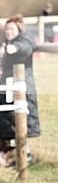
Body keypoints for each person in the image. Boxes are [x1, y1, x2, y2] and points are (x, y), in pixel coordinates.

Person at [0, 17, 40, 167]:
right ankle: (18, 154)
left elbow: (27, 46)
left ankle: (25, 156)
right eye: (7, 29)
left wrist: (15, 48)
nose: (8, 32)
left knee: (20, 121)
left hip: (22, 88)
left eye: (12, 29)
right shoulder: (7, 42)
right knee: (12, 122)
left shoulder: (23, 39)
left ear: (19, 30)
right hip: (10, 87)